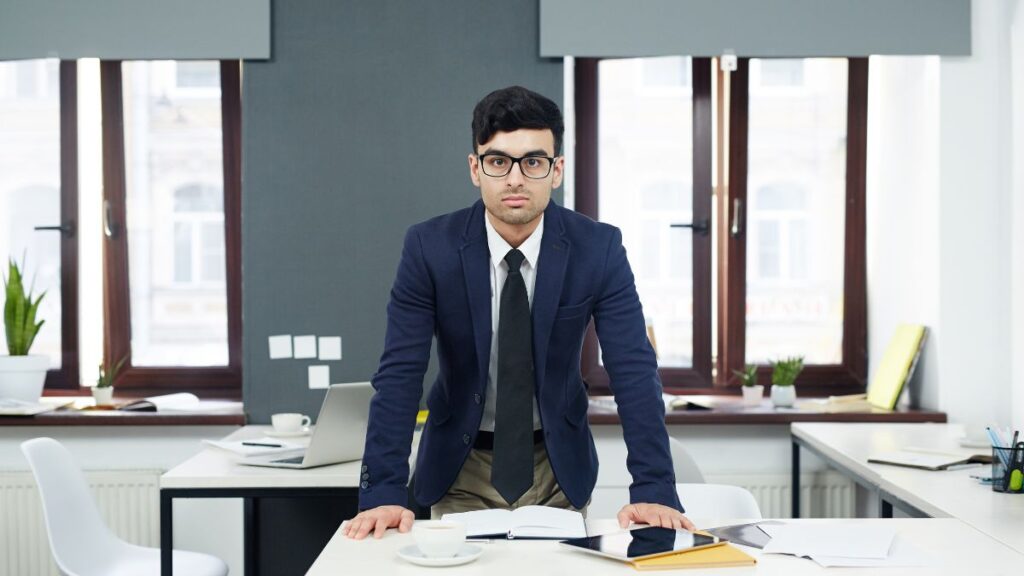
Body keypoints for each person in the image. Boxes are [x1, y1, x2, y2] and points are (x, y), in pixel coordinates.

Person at [343, 86, 693, 540]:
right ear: (476, 168)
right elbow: (399, 374)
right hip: (459, 470)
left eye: (533, 162)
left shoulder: (598, 249)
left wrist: (655, 486)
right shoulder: (430, 248)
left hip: (557, 471)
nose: (514, 179)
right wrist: (383, 491)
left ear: (556, 170)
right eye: (498, 161)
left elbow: (633, 369)